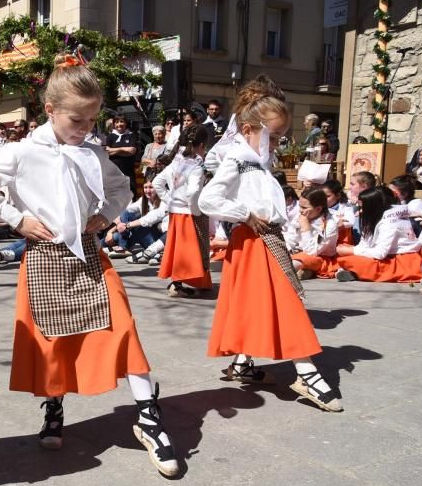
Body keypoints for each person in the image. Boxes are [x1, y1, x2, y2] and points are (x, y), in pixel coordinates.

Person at [0, 54, 180, 477]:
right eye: (77, 120)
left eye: (92, 120)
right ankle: (55, 408)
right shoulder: (22, 152)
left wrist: (107, 214)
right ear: (50, 111)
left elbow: (120, 187)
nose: (85, 129)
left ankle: (149, 418)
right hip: (43, 255)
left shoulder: (92, 151)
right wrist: (17, 218)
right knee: (52, 342)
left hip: (90, 252)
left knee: (123, 327)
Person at [198, 74, 342, 413]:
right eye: (273, 136)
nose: (277, 142)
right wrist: (245, 214)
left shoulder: (257, 160)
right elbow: (208, 199)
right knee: (285, 304)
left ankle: (242, 362)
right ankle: (305, 372)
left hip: (263, 240)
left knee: (253, 305)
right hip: (253, 241)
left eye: (279, 136)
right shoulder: (237, 158)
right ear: (249, 130)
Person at [153, 123, 213, 296]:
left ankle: (189, 281)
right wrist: (194, 209)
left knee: (178, 248)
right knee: (195, 248)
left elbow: (157, 182)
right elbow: (193, 191)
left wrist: (170, 200)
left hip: (175, 211)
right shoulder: (196, 166)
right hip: (190, 212)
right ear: (202, 145)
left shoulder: (176, 162)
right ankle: (180, 284)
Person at [335, 187, 422, 283]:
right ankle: (353, 271)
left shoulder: (389, 223)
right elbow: (364, 244)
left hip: (399, 260)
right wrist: (351, 250)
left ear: (374, 206)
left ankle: (355, 272)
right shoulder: (373, 219)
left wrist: (352, 250)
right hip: (383, 256)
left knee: (354, 259)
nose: (360, 211)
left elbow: (380, 253)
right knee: (346, 255)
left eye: (363, 207)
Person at [107, 179, 166, 259]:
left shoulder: (164, 201)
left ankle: (122, 247)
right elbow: (125, 213)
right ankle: (116, 247)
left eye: (151, 187)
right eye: (145, 187)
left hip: (158, 240)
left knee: (125, 232)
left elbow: (148, 220)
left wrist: (127, 226)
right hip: (144, 235)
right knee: (116, 234)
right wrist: (111, 230)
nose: (147, 190)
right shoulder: (143, 200)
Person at [288, 188, 339, 279]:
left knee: (289, 265)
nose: (300, 210)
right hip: (297, 254)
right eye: (300, 206)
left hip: (318, 258)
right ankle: (306, 271)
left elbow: (311, 252)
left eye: (304, 207)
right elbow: (290, 239)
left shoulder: (330, 225)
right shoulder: (301, 216)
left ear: (318, 209)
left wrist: (306, 228)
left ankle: (308, 269)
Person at [104, 114, 138, 195]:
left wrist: (115, 151)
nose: (119, 124)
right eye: (117, 122)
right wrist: (123, 149)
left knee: (130, 194)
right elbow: (107, 151)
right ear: (114, 124)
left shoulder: (131, 135)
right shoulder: (110, 137)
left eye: (122, 121)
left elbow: (132, 151)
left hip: (128, 171)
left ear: (126, 123)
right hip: (114, 172)